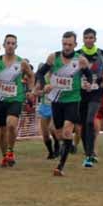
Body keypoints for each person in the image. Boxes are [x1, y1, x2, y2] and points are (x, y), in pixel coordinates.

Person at [43, 31, 90, 177]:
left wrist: (88, 83)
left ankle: (60, 167)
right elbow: (40, 73)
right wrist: (44, 84)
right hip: (56, 100)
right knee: (59, 133)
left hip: (72, 100)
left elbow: (88, 75)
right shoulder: (54, 57)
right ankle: (66, 144)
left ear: (75, 44)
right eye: (64, 44)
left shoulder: (80, 60)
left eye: (70, 44)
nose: (67, 47)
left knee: (67, 131)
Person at [0, 34, 32, 168]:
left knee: (11, 124)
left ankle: (10, 151)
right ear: (4, 45)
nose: (10, 45)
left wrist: (29, 90)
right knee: (1, 132)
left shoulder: (22, 63)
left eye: (13, 43)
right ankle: (5, 157)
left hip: (16, 98)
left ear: (16, 46)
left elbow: (31, 76)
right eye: (8, 43)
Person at [78, 28, 103, 168]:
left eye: (91, 37)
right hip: (81, 93)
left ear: (95, 39)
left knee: (91, 121)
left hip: (96, 92)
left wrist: (101, 82)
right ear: (83, 39)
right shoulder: (77, 54)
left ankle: (90, 154)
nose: (89, 40)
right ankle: (88, 153)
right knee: (83, 125)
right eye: (86, 38)